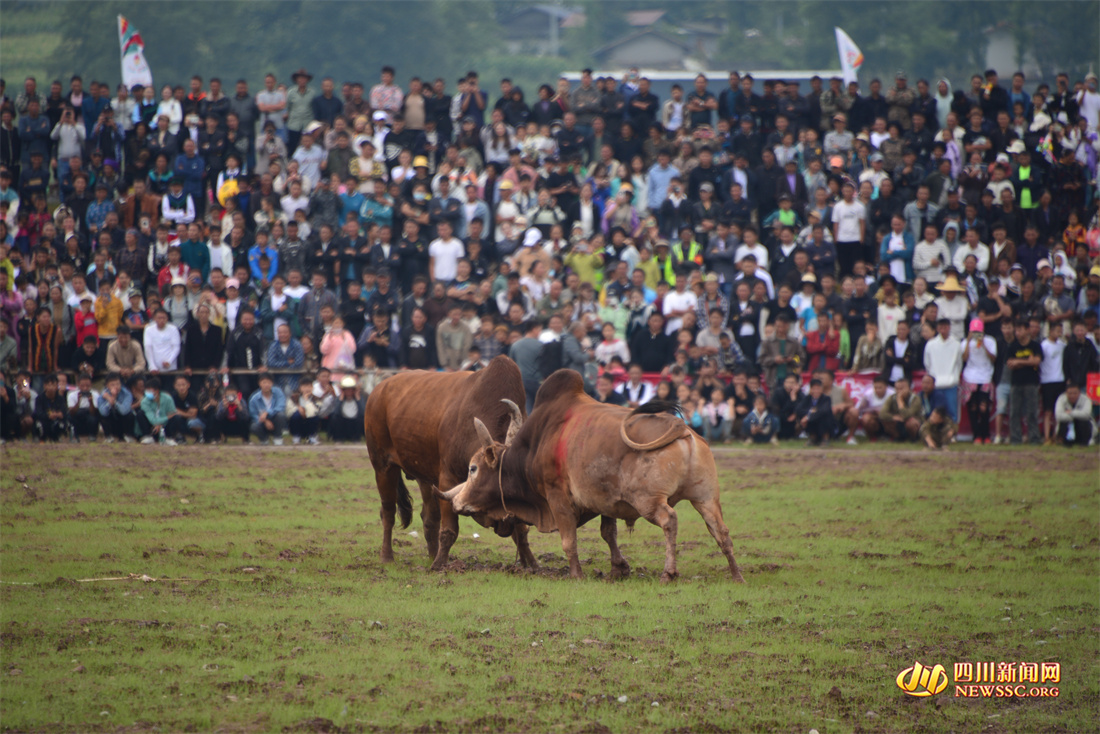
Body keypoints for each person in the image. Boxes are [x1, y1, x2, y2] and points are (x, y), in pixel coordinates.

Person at [960, 318, 997, 444]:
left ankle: (986, 435)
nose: (976, 334)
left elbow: (993, 358)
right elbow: (964, 359)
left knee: (983, 407)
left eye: (978, 332)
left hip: (985, 376)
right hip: (970, 377)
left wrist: (983, 344)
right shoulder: (965, 342)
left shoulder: (990, 341)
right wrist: (968, 341)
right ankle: (976, 435)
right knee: (973, 407)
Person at [1006, 319, 1042, 445]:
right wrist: (1028, 362)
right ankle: (1016, 438)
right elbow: (1010, 364)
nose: (1017, 333)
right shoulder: (1013, 347)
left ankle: (1034, 438)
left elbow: (1036, 362)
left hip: (1031, 383)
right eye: (1016, 330)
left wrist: (1019, 362)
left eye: (1020, 330)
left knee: (1032, 412)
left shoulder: (1035, 346)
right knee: (1014, 412)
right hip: (1016, 383)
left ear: (1027, 330)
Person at [923, 318, 962, 421]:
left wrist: (954, 378)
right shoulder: (931, 344)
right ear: (937, 328)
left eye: (945, 327)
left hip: (951, 384)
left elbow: (959, 363)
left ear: (949, 328)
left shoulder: (956, 344)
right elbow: (927, 363)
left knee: (952, 411)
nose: (943, 330)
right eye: (941, 328)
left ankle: (952, 435)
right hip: (935, 385)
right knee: (935, 412)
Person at [138, 376, 179, 445]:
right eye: (146, 390)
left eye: (149, 390)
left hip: (165, 426)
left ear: (157, 391)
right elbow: (153, 420)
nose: (147, 392)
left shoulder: (168, 398)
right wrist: (167, 418)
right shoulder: (144, 402)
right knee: (140, 413)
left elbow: (173, 414)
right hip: (152, 426)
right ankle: (148, 436)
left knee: (177, 418)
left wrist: (161, 424)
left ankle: (169, 438)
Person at [249, 373, 287, 445]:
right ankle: (264, 439)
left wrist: (267, 412)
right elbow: (253, 415)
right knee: (254, 426)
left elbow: (281, 406)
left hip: (275, 420)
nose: (266, 385)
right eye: (264, 382)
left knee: (281, 415)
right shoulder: (254, 398)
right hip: (262, 423)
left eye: (269, 382)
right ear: (259, 383)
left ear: (272, 383)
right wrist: (265, 421)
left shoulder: (278, 392)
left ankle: (278, 438)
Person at [880, 377, 922, 442]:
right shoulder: (892, 398)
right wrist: (893, 417)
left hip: (913, 422)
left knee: (911, 422)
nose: (899, 391)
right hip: (899, 422)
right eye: (897, 389)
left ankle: (913, 439)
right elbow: (882, 413)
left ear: (909, 388)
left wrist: (900, 402)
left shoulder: (915, 399)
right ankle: (898, 438)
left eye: (902, 389)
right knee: (886, 420)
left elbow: (907, 415)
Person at [796, 378, 833, 447]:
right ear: (810, 389)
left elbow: (824, 410)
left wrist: (808, 417)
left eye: (818, 388)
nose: (816, 391)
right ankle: (813, 438)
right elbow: (799, 409)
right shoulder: (807, 398)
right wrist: (809, 413)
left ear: (822, 389)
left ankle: (825, 438)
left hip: (823, 423)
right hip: (811, 422)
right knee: (802, 416)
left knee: (824, 416)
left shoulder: (826, 399)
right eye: (814, 388)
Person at [33, 373, 68, 442]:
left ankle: (58, 437)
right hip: (44, 420)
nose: (51, 387)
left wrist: (58, 414)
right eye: (49, 385)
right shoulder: (39, 398)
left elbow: (63, 412)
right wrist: (48, 416)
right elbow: (38, 413)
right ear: (44, 386)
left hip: (56, 420)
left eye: (54, 385)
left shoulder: (60, 399)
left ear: (57, 386)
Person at [286, 376, 321, 445]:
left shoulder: (316, 399)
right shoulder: (293, 397)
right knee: (296, 415)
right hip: (297, 423)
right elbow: (288, 412)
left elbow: (315, 411)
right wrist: (299, 409)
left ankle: (312, 437)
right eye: (304, 387)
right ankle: (296, 437)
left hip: (310, 423)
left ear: (312, 388)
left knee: (314, 417)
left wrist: (306, 401)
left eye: (309, 386)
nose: (307, 389)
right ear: (300, 388)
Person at [329, 375, 363, 442]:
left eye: (351, 389)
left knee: (361, 419)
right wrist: (341, 400)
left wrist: (358, 399)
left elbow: (363, 413)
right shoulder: (339, 399)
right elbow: (335, 413)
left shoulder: (359, 398)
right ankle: (338, 439)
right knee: (335, 418)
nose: (349, 392)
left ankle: (356, 438)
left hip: (354, 424)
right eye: (346, 389)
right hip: (343, 425)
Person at [67, 372, 99, 441]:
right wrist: (78, 401)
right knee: (70, 416)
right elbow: (72, 412)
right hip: (78, 416)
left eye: (87, 386)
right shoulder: (72, 395)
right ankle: (74, 436)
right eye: (82, 386)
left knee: (94, 417)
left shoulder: (95, 394)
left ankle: (92, 435)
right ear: (78, 385)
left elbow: (94, 413)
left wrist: (91, 402)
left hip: (89, 415)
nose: (85, 388)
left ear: (91, 384)